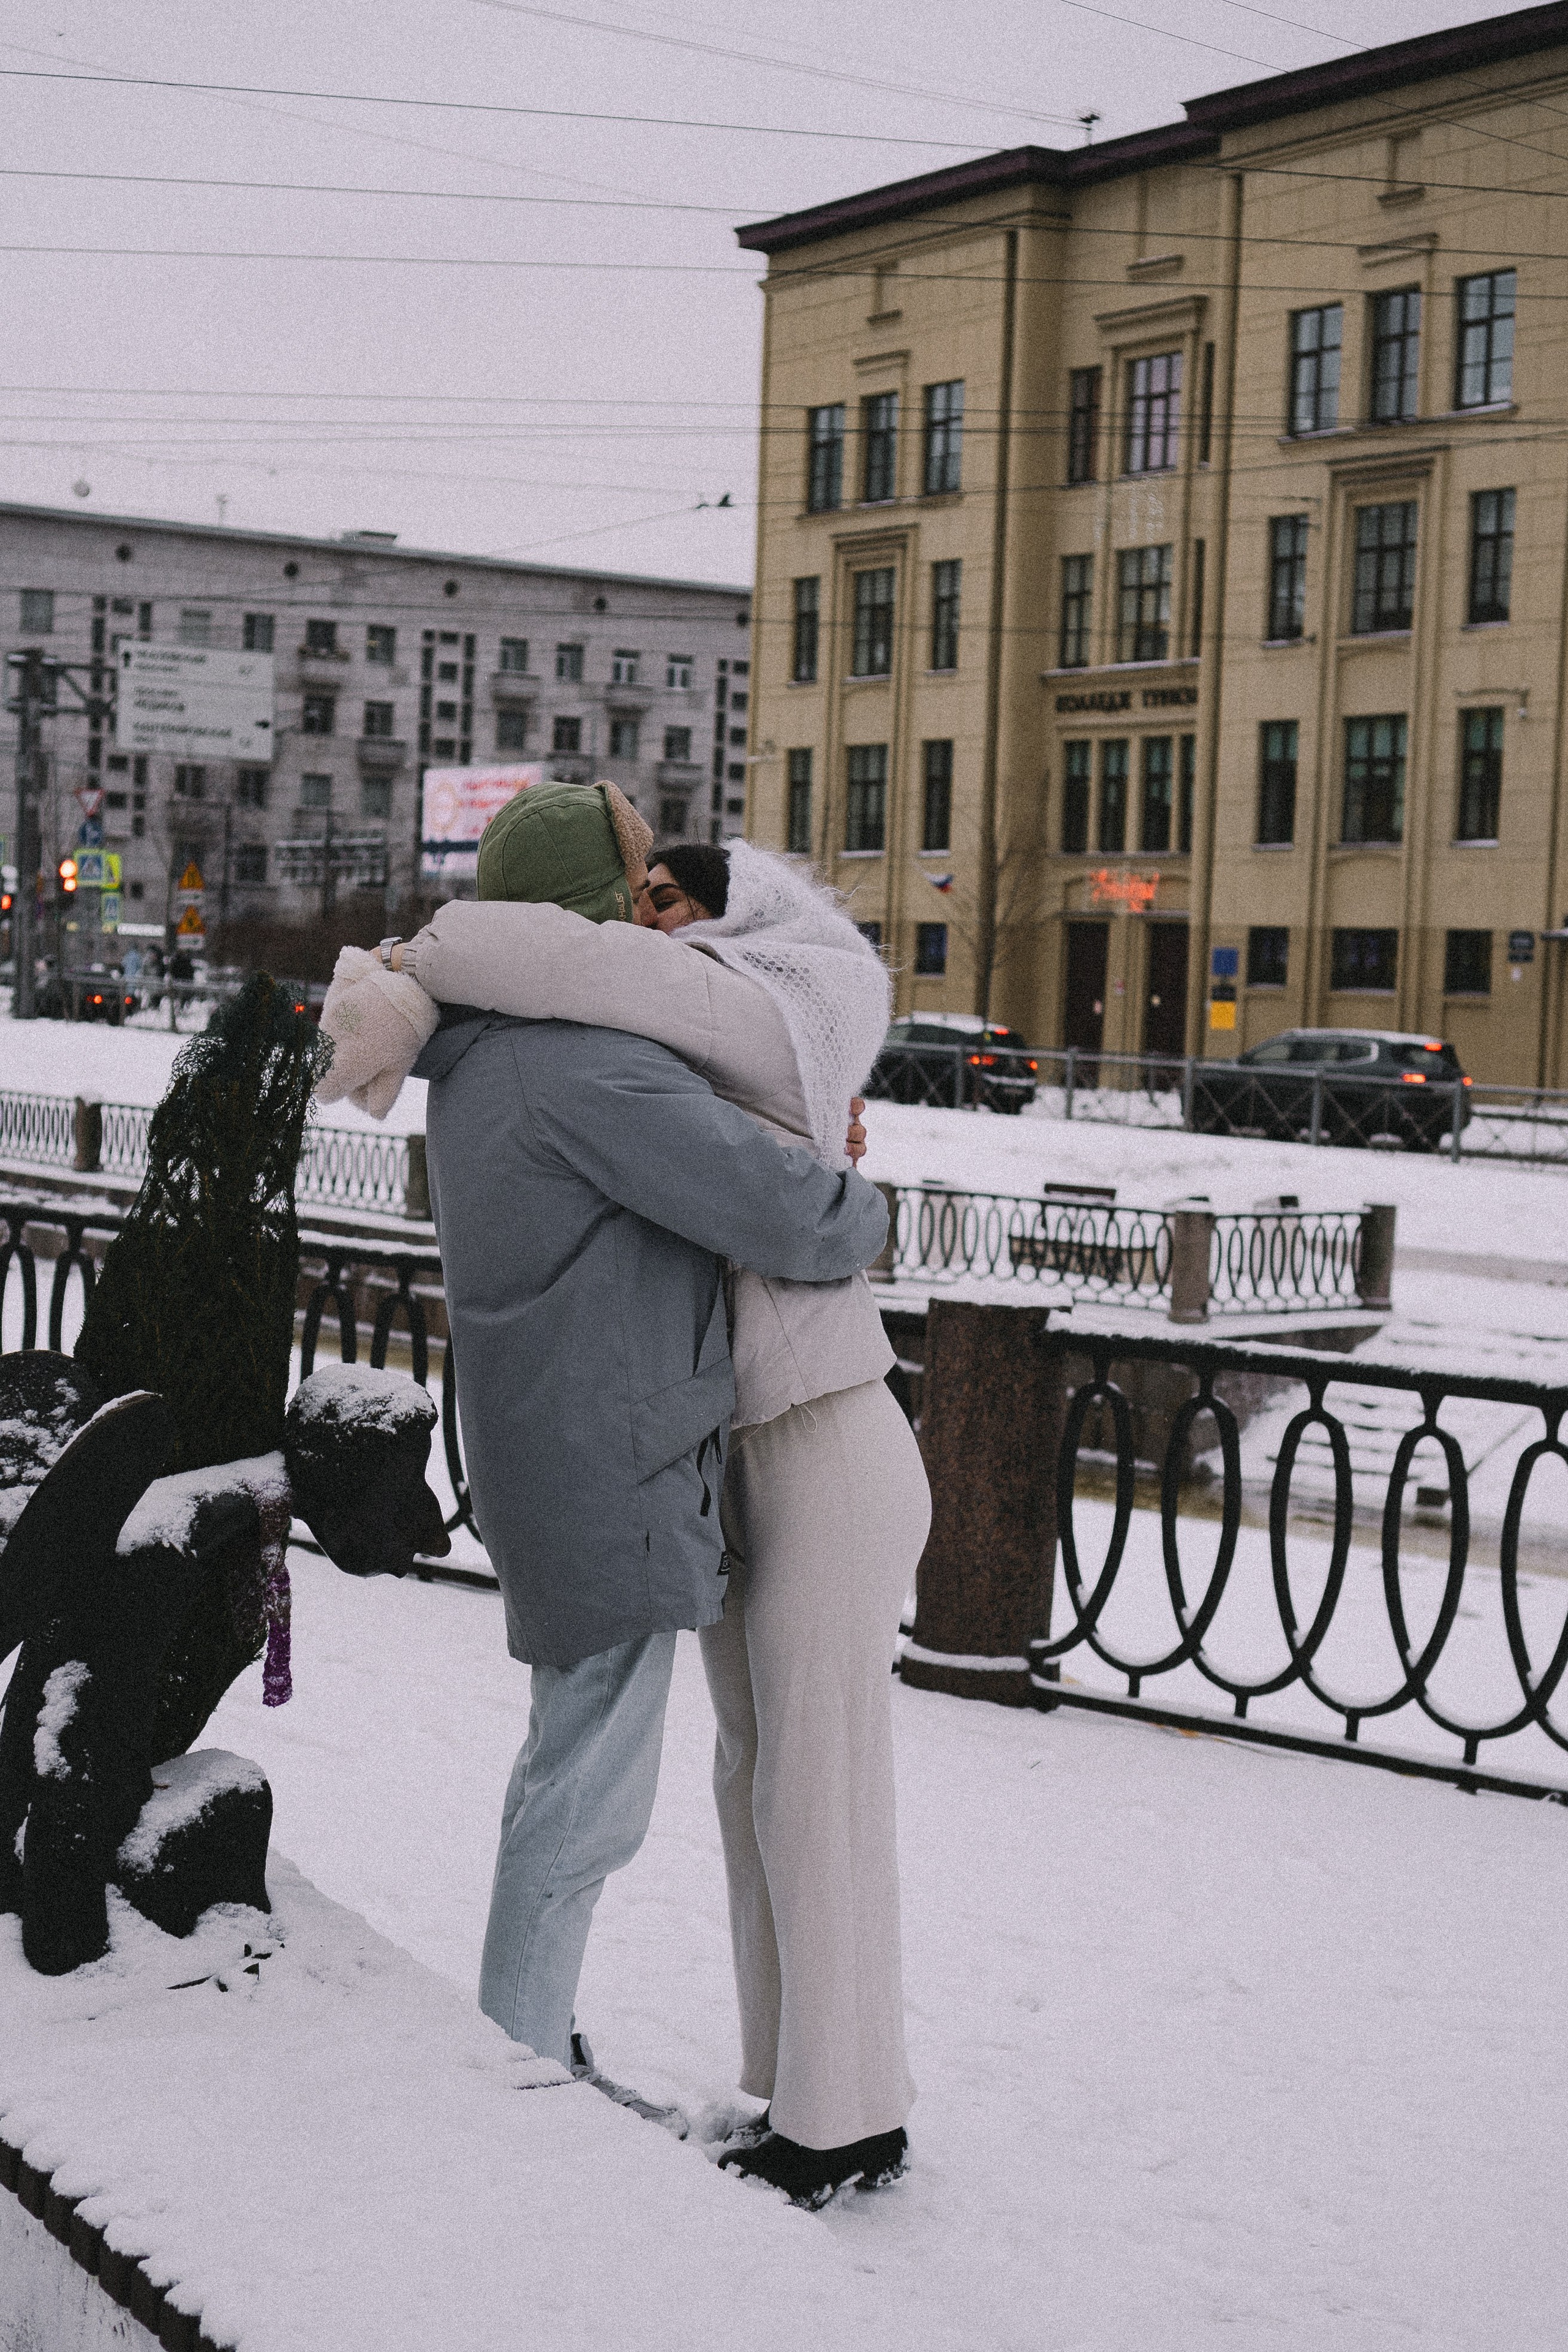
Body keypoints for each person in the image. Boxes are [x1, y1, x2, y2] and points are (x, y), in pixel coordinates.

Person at [320, 799, 930, 2210]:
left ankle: (837, 2118)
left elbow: (760, 1187)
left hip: (812, 1433)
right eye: (634, 892)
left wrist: (829, 1177)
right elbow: (767, 1194)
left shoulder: (630, 1032)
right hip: (695, 1449)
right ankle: (757, 2084)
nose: (652, 920)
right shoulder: (589, 1055)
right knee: (733, 1775)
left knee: (802, 1779)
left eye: (674, 895)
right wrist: (840, 1183)